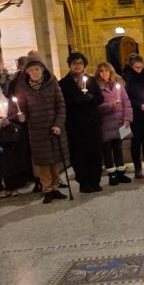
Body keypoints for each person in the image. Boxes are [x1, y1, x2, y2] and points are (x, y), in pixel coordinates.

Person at [9, 54, 67, 204]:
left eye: (36, 69)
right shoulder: (23, 87)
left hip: (53, 127)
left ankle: (55, 186)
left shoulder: (52, 83)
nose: (34, 72)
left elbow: (61, 105)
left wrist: (58, 124)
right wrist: (21, 116)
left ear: (42, 70)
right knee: (43, 162)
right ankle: (47, 189)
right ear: (27, 72)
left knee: (54, 160)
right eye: (31, 70)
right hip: (37, 130)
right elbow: (21, 108)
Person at [59, 52, 104, 194]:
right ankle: (84, 182)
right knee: (78, 154)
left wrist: (91, 99)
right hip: (75, 125)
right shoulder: (63, 83)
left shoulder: (91, 80)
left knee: (94, 153)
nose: (77, 66)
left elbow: (100, 98)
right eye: (74, 63)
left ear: (84, 65)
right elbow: (61, 103)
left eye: (80, 63)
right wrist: (76, 100)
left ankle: (95, 181)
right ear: (70, 65)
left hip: (92, 123)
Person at [95, 62, 133, 186]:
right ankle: (112, 175)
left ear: (111, 72)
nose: (104, 73)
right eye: (101, 71)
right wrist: (110, 106)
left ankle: (121, 173)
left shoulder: (118, 85)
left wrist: (127, 118)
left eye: (106, 70)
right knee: (107, 150)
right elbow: (96, 107)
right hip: (106, 124)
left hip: (119, 122)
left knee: (118, 148)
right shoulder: (96, 87)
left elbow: (126, 103)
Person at [123, 54, 144, 178]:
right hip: (135, 114)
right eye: (136, 67)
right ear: (131, 66)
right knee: (136, 142)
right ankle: (138, 168)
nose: (139, 70)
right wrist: (140, 105)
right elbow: (127, 97)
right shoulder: (127, 78)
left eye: (141, 67)